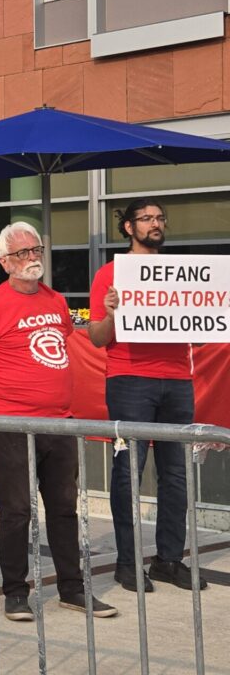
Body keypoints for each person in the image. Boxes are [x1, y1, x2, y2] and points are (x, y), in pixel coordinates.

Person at [0, 222, 117, 622]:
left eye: (36, 250)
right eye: (22, 253)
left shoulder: (56, 300)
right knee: (16, 512)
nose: (32, 258)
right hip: (13, 427)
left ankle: (72, 589)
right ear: (4, 262)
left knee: (64, 509)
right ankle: (16, 593)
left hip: (60, 424)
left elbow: (64, 346)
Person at [88, 198, 207, 593]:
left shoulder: (179, 274)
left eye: (160, 217)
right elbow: (97, 338)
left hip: (178, 380)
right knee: (128, 472)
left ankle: (168, 560)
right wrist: (111, 314)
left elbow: (200, 331)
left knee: (176, 474)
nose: (155, 223)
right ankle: (127, 562)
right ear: (129, 227)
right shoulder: (109, 274)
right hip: (129, 380)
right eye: (146, 218)